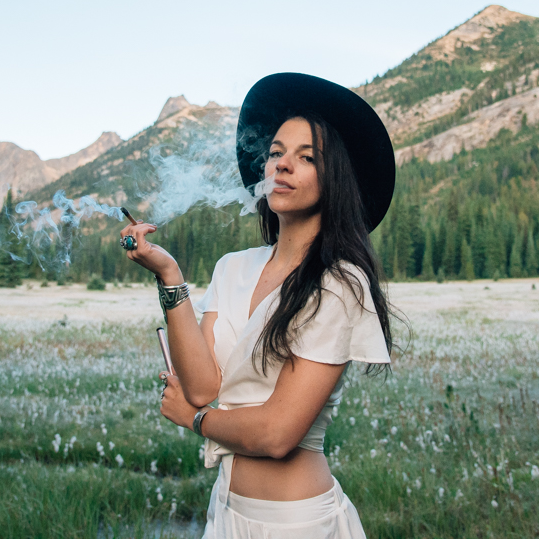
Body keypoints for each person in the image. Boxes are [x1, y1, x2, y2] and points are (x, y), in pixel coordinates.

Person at [120, 72, 399, 538]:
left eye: (306, 157)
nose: (282, 166)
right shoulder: (232, 267)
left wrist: (195, 421)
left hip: (298, 523)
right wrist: (168, 275)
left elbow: (277, 434)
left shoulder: (339, 283)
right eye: (275, 153)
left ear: (335, 179)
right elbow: (204, 387)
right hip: (226, 514)